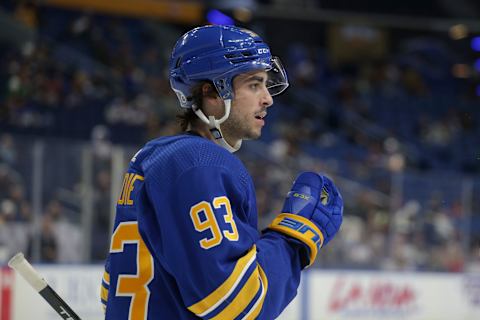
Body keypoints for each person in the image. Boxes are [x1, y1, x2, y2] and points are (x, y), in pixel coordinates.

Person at [101, 25, 343, 319]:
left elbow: (110, 289)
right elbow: (233, 303)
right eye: (254, 84)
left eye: (266, 84)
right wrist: (295, 238)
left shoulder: (156, 155)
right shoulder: (200, 164)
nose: (267, 98)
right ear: (212, 91)